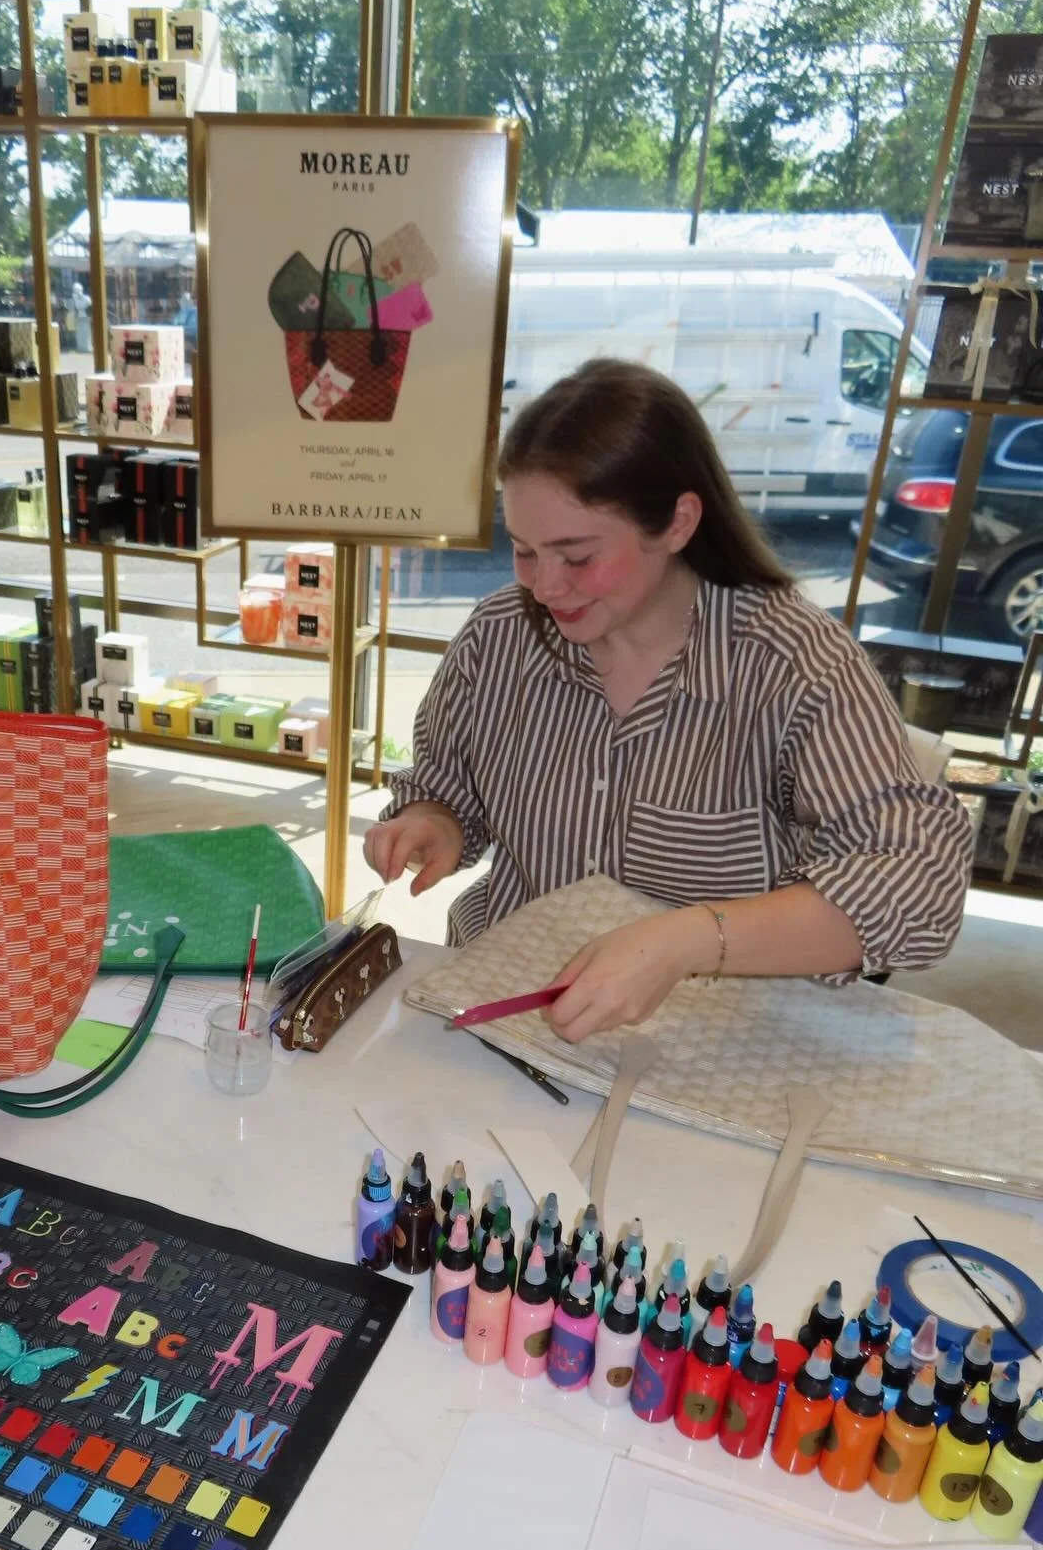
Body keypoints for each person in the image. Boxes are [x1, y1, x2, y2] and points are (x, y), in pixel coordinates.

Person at [365, 360, 972, 1044]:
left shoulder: (789, 664)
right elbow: (450, 787)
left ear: (679, 522)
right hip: (507, 1004)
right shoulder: (499, 638)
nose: (545, 587)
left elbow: (920, 884)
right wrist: (436, 820)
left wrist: (692, 940)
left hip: (705, 1041)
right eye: (525, 551)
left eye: (577, 555)